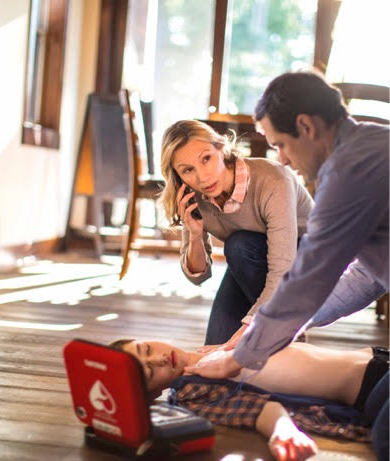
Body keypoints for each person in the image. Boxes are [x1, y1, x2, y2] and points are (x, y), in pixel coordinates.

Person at [183, 71, 389, 461]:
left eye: (280, 144)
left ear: (306, 126)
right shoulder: (367, 147)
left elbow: (308, 279)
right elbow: (367, 276)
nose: (280, 157)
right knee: (376, 401)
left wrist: (239, 356)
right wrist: (264, 333)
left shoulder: (348, 170)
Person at [159, 119, 314, 345]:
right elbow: (199, 276)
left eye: (206, 159)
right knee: (215, 348)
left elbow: (282, 270)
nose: (202, 177)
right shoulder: (194, 197)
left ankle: (290, 337)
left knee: (239, 245)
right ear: (177, 175)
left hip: (306, 262)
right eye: (188, 170)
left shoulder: (273, 180)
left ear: (221, 149)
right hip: (250, 262)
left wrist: (250, 326)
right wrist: (194, 235)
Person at [111, 338, 388, 461]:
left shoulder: (212, 349)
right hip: (372, 387)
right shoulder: (190, 392)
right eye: (150, 371)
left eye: (146, 348)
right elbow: (258, 411)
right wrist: (283, 430)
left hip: (376, 357)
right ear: (152, 394)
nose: (159, 358)